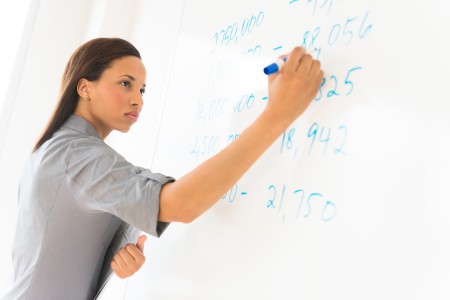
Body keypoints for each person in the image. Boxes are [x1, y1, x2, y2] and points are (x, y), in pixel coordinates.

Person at [1, 37, 323, 300]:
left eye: (142, 90)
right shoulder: (74, 153)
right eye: (125, 84)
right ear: (84, 88)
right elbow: (180, 203)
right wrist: (277, 115)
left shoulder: (59, 150)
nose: (138, 100)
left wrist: (115, 256)